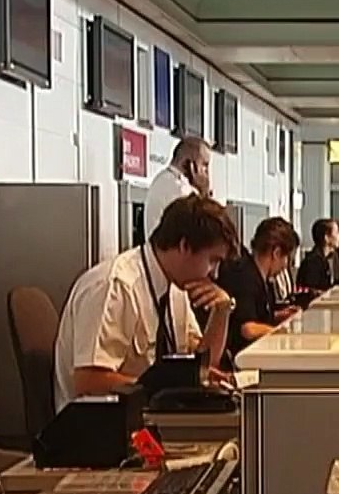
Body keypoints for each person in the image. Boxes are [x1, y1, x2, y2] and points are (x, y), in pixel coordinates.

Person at [53, 195, 238, 413]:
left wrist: (222, 311)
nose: (214, 273)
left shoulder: (176, 289)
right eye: (213, 260)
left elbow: (203, 365)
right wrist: (158, 389)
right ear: (184, 245)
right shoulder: (117, 285)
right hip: (99, 428)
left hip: (146, 419)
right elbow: (88, 381)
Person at [216, 217, 301, 356]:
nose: (285, 265)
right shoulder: (244, 275)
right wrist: (282, 333)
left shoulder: (261, 278)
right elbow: (248, 329)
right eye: (287, 258)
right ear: (276, 253)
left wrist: (280, 316)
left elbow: (257, 314)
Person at [144, 136, 212, 238]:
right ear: (190, 165)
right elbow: (207, 230)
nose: (207, 172)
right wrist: (204, 192)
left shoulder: (162, 179)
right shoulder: (180, 189)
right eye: (204, 165)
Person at [297, 218, 339, 292]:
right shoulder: (312, 262)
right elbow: (310, 291)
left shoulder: (336, 256)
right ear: (326, 238)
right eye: (337, 232)